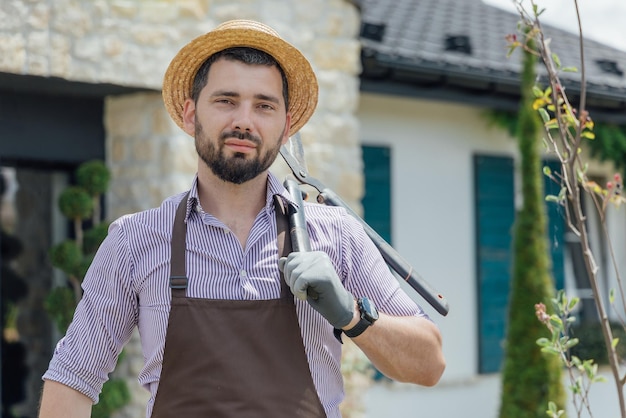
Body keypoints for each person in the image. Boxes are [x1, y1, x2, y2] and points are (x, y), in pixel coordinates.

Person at [38, 19, 445, 418]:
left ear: (286, 127)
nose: (244, 121)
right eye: (226, 100)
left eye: (263, 106)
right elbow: (73, 378)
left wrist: (351, 314)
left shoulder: (336, 236)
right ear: (190, 114)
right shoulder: (136, 240)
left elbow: (429, 364)